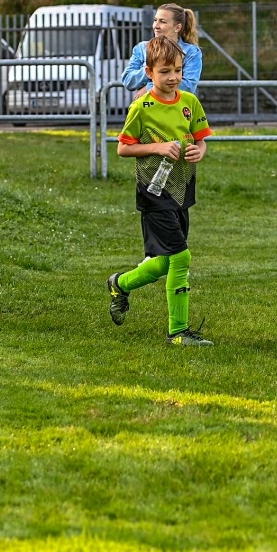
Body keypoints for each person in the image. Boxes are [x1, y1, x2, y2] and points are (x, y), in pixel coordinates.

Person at [105, 36, 214, 346]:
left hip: (182, 190)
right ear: (149, 72)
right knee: (181, 256)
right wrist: (159, 147)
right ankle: (178, 333)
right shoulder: (141, 107)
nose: (173, 77)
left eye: (177, 70)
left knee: (166, 262)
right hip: (153, 192)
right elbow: (124, 149)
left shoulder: (189, 102)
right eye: (165, 71)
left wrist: (198, 151)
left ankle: (121, 283)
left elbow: (201, 139)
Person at [121, 4, 203, 96]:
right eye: (155, 20)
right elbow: (127, 80)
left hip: (176, 104)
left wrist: (149, 88)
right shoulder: (142, 48)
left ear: (177, 27)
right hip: (148, 104)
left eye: (162, 22)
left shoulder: (191, 51)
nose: (156, 26)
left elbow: (188, 86)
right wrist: (152, 68)